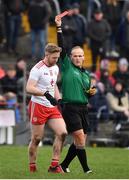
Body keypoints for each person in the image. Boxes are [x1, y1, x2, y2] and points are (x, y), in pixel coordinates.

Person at [55, 15, 96, 173]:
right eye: (75, 55)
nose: (78, 58)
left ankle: (64, 165)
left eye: (80, 55)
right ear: (70, 57)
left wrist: (91, 93)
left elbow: (88, 94)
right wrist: (59, 27)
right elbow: (61, 46)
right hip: (70, 107)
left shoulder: (86, 75)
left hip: (83, 108)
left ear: (84, 58)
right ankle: (86, 169)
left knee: (80, 141)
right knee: (79, 137)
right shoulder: (66, 66)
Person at [26, 43, 67, 173]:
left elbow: (53, 85)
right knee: (37, 138)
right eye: (54, 57)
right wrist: (45, 93)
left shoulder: (55, 68)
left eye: (57, 57)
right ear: (47, 55)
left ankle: (54, 166)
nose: (56, 60)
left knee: (62, 133)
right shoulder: (37, 69)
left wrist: (59, 99)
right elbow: (29, 88)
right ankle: (32, 166)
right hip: (38, 106)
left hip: (51, 106)